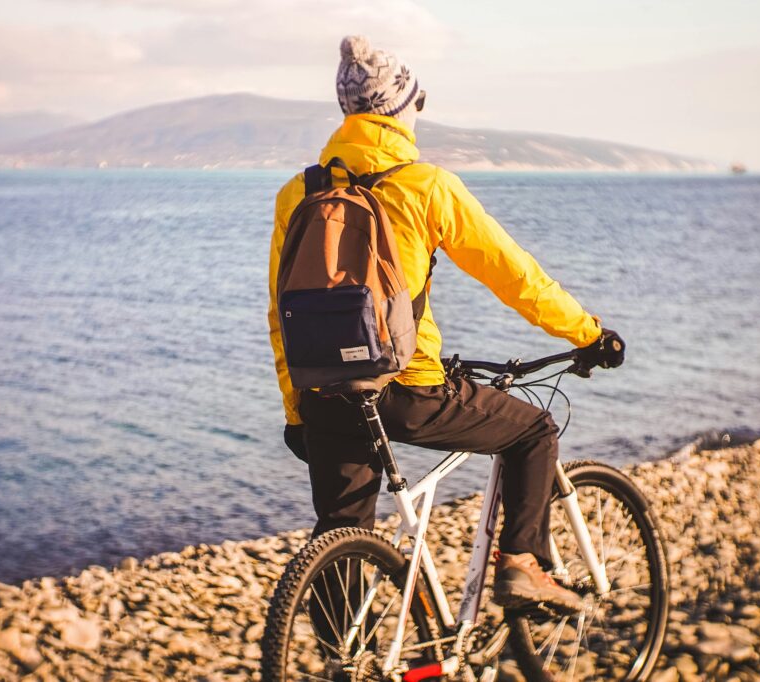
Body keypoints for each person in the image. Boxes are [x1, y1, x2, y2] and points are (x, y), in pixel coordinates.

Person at [267, 35, 625, 612]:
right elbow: (515, 276)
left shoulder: (299, 194)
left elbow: (279, 314)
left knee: (340, 529)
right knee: (533, 431)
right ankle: (521, 565)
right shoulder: (425, 185)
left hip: (325, 395)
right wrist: (587, 333)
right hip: (407, 388)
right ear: (400, 109)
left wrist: (296, 408)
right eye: (417, 102)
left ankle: (340, 661)